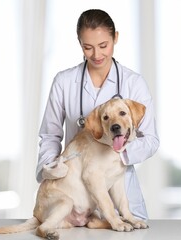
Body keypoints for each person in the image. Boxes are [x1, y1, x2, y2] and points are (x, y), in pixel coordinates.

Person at [36, 9, 160, 220]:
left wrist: (117, 153)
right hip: (77, 197)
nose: (96, 55)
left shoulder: (133, 83)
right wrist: (50, 165)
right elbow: (50, 135)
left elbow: (151, 140)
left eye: (104, 46)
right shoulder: (64, 82)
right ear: (80, 44)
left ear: (116, 38)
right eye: (88, 47)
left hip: (120, 191)